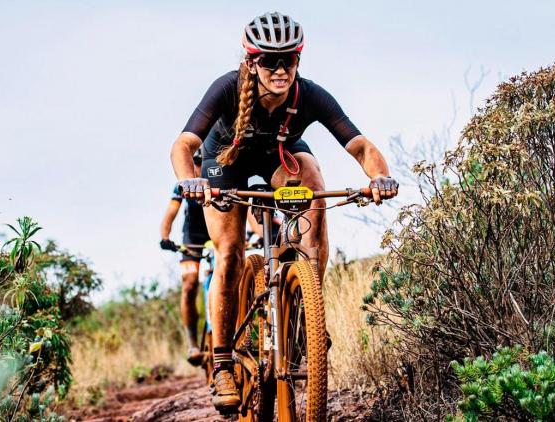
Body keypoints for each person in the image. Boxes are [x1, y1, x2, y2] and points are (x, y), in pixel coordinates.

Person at [170, 12, 399, 411]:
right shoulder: (226, 88)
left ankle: (305, 304)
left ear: (298, 60)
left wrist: (380, 177)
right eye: (269, 61)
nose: (280, 70)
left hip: (280, 155)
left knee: (314, 184)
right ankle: (222, 362)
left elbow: (360, 146)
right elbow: (183, 145)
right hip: (225, 161)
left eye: (288, 60)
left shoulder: (309, 95)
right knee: (230, 253)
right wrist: (192, 181)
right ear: (252, 62)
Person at [159, 149, 209, 366]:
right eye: (195, 162)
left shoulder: (220, 177)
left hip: (218, 234)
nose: (199, 167)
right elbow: (171, 212)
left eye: (202, 162)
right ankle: (193, 344)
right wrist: (165, 236)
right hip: (192, 238)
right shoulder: (183, 184)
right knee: (189, 284)